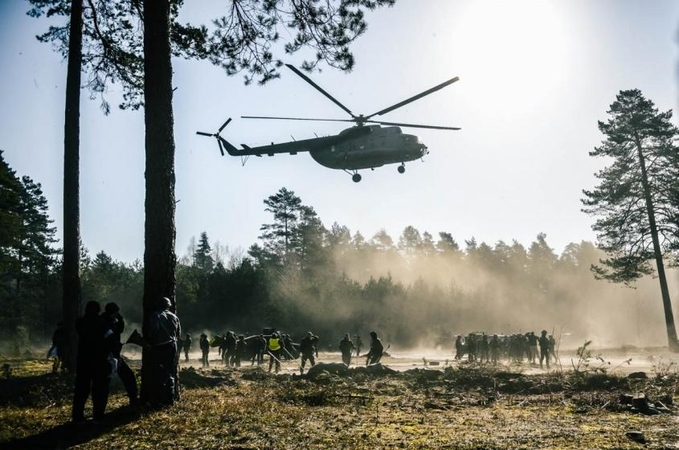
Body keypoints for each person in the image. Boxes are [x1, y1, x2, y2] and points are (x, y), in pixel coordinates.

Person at [72, 300, 114, 423]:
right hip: (99, 360)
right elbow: (111, 339)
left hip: (83, 360)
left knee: (81, 389)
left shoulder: (80, 322)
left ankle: (77, 416)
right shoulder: (102, 324)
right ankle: (98, 415)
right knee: (100, 389)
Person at [146, 297, 181, 405]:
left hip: (160, 346)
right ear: (169, 305)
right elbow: (178, 333)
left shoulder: (155, 315)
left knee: (158, 372)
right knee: (169, 371)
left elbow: (154, 331)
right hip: (172, 345)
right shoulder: (174, 316)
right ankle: (169, 399)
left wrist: (148, 340)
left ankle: (158, 399)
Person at [102, 302, 139, 406]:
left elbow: (120, 330)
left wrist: (120, 319)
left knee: (129, 376)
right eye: (116, 312)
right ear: (113, 312)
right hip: (107, 356)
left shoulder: (111, 320)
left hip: (114, 355)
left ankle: (134, 399)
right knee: (105, 382)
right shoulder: (104, 322)